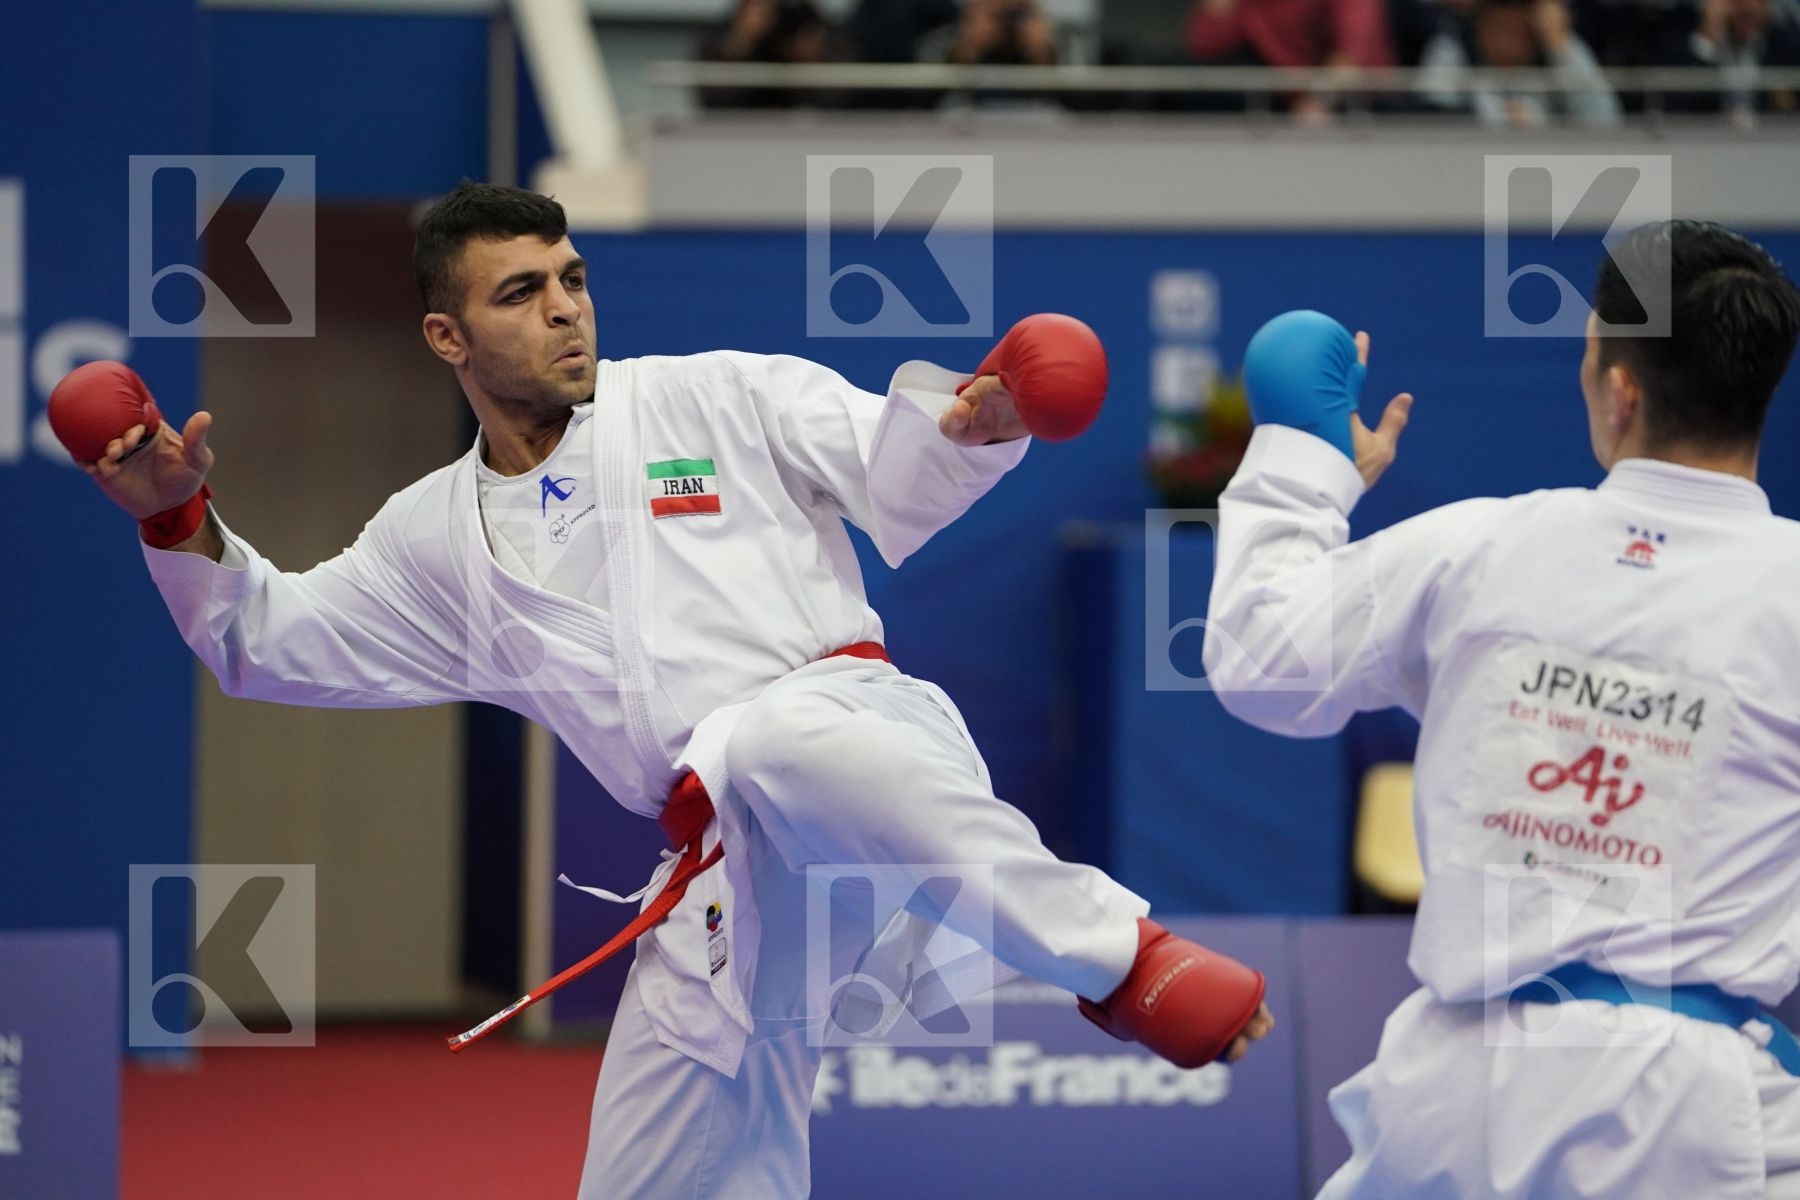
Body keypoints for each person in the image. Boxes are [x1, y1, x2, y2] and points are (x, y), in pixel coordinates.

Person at [76, 181, 1274, 1199]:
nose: (563, 311)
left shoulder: (717, 395)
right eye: (521, 294)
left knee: (780, 740)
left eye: (573, 280)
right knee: (668, 1159)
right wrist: (174, 517)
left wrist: (981, 418)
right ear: (448, 339)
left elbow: (896, 463)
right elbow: (269, 643)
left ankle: (1125, 960)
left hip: (857, 742)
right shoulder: (433, 538)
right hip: (722, 864)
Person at [1203, 220, 1800, 1197]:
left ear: (1620, 388)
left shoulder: (1481, 550)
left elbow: (1260, 667)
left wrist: (1305, 466)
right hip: (1692, 1108)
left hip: (1455, 1092)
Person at [1419, 0, 1622, 127]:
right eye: (1497, 30)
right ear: (1479, 26)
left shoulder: (1560, 50)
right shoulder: (1454, 47)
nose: (1507, 45)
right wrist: (1483, 117)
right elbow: (1430, 117)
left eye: (1519, 34)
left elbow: (1604, 121)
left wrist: (1562, 49)